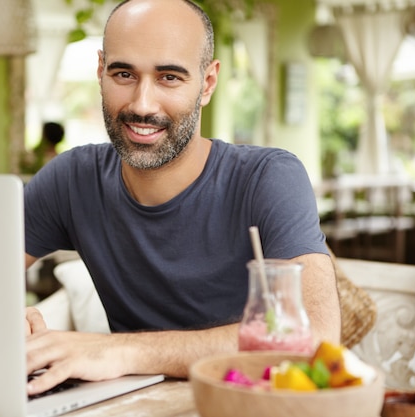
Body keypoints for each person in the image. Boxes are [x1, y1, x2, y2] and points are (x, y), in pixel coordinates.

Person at [24, 0, 341, 396]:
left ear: (207, 84)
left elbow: (316, 338)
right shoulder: (71, 179)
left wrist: (119, 351)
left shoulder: (267, 177)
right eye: (123, 73)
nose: (142, 104)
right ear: (100, 70)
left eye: (169, 77)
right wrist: (4, 316)